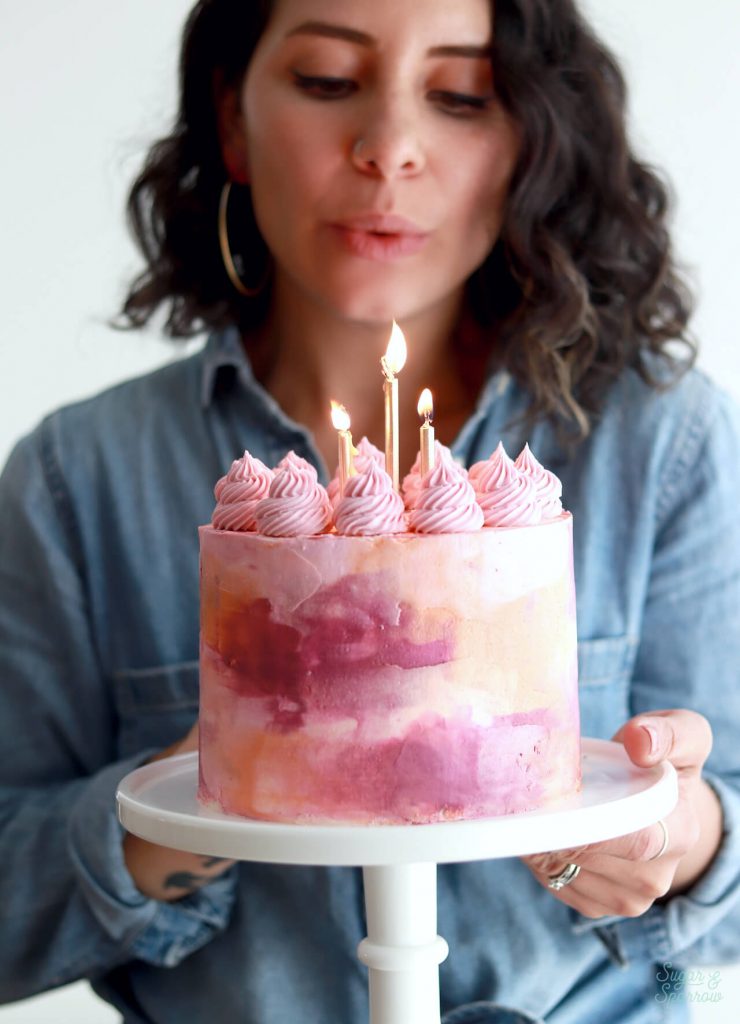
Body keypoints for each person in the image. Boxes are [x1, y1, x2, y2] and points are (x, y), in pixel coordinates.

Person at [1, 0, 739, 1021]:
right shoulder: (77, 480)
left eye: (458, 95)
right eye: (326, 80)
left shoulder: (664, 444)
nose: (386, 149)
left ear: (528, 138)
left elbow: (725, 892)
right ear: (231, 121)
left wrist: (684, 835)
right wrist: (176, 812)